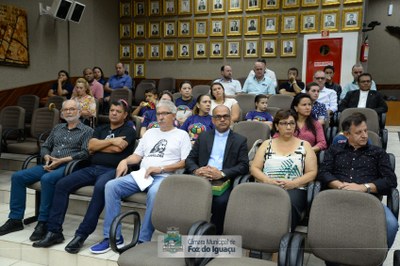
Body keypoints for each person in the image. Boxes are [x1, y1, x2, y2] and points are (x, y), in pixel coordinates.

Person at [31, 100, 136, 252]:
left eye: (118, 111)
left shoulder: (129, 130)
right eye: (112, 110)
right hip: (92, 167)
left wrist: (99, 146)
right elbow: (90, 146)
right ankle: (54, 231)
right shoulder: (101, 128)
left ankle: (82, 234)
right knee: (61, 184)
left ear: (125, 115)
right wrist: (111, 141)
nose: (113, 113)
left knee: (100, 188)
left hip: (112, 170)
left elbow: (118, 149)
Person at [89, 100, 192, 253]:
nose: (161, 117)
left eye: (165, 113)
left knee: (154, 192)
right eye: (158, 114)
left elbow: (185, 162)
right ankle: (113, 237)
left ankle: (143, 240)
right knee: (111, 185)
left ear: (174, 115)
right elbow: (137, 157)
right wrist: (125, 161)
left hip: (165, 177)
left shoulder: (182, 135)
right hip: (143, 175)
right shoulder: (150, 133)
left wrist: (161, 168)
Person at [0, 100, 93, 240]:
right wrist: (47, 156)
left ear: (79, 112)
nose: (69, 112)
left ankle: (43, 222)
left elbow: (85, 153)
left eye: (72, 109)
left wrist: (62, 160)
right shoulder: (57, 128)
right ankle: (15, 219)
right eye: (66, 109)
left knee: (47, 179)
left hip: (69, 166)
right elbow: (45, 146)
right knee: (18, 177)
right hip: (49, 163)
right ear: (61, 113)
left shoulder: (87, 130)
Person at [318, 112, 398, 249]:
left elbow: (390, 180)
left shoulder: (378, 153)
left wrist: (364, 187)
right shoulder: (334, 150)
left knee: (391, 225)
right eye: (359, 132)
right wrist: (339, 185)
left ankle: (375, 258)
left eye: (366, 131)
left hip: (367, 199)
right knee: (322, 224)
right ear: (347, 134)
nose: (365, 135)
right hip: (337, 197)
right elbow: (323, 172)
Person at [186, 105, 249, 234]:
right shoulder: (203, 137)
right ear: (213, 120)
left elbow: (244, 165)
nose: (222, 119)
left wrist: (221, 173)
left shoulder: (240, 140)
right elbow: (190, 159)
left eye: (225, 116)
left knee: (221, 202)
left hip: (223, 181)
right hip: (201, 178)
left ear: (230, 119)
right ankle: (189, 233)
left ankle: (213, 235)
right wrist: (197, 170)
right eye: (218, 117)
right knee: (186, 196)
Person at [250, 109, 318, 231]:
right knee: (258, 204)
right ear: (276, 125)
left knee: (286, 205)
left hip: (295, 188)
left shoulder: (305, 145)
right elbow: (254, 168)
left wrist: (293, 183)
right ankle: (259, 236)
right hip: (267, 186)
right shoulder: (267, 144)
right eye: (284, 123)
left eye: (292, 123)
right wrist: (267, 180)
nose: (288, 127)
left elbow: (312, 173)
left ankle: (279, 239)